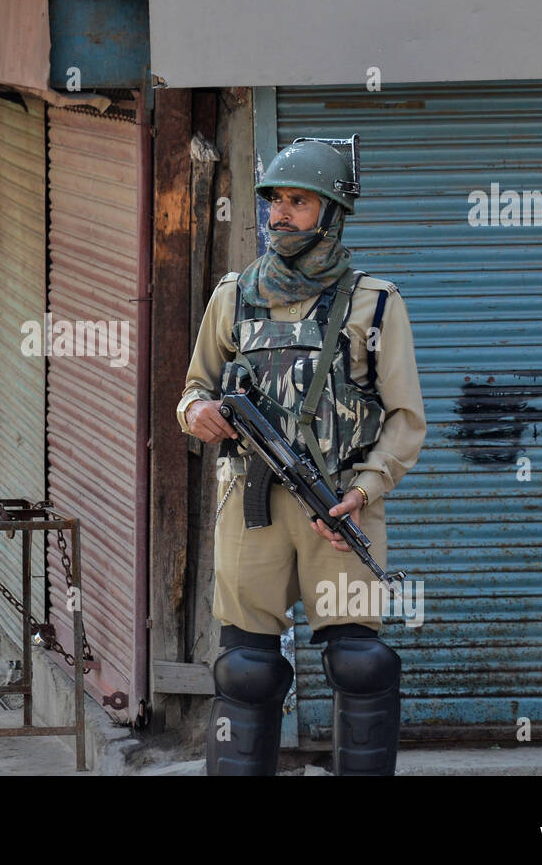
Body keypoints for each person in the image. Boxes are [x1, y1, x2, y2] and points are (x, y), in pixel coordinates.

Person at [178, 136, 426, 776]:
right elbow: (194, 388)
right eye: (274, 202)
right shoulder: (233, 296)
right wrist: (196, 413)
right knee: (246, 670)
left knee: (360, 663)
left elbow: (406, 419)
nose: (280, 215)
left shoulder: (375, 301)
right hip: (249, 511)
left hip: (339, 505)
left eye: (300, 203)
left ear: (333, 214)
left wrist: (366, 489)